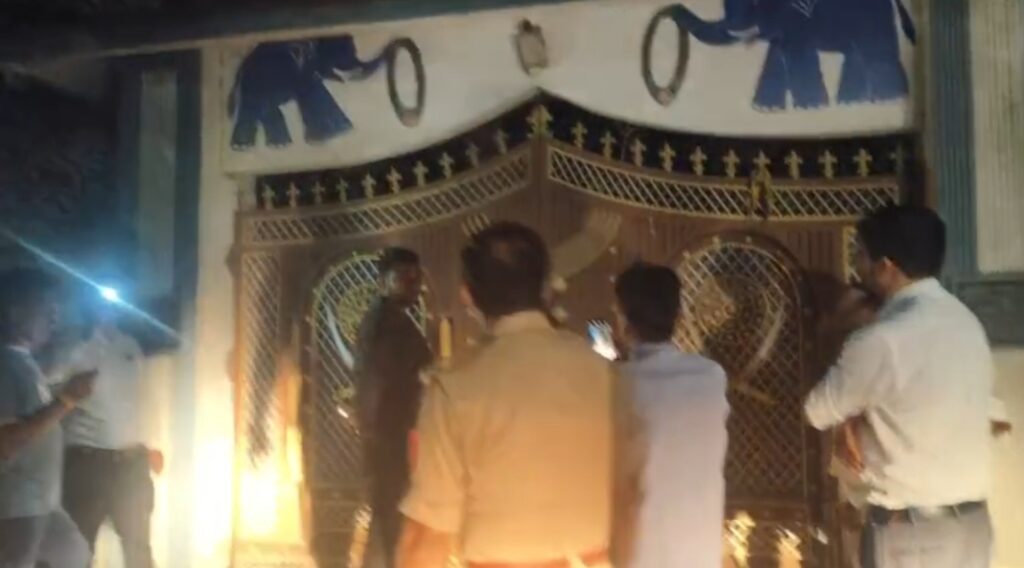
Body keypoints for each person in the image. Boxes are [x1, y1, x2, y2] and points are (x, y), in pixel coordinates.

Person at [397, 222, 637, 568]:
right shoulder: (605, 374)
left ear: (467, 295)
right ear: (545, 287)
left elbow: (429, 537)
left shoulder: (456, 388)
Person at [804, 205, 995, 568]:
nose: (856, 266)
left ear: (885, 267)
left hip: (909, 533)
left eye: (860, 254)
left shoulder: (880, 340)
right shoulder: (967, 323)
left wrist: (833, 333)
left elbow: (817, 410)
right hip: (971, 524)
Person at [612, 262, 729, 568]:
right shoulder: (711, 377)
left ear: (622, 321)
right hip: (700, 553)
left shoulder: (617, 384)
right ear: (678, 317)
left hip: (640, 556)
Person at [50, 286, 162, 568]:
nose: (108, 309)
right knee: (77, 550)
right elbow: (50, 384)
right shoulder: (73, 346)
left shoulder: (130, 345)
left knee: (139, 549)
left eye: (113, 303)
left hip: (131, 463)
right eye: (100, 303)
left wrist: (150, 444)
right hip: (88, 462)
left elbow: (141, 396)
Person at [0, 268, 94, 568]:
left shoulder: (26, 363)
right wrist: (65, 401)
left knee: (75, 554)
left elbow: (36, 421)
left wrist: (62, 409)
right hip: (17, 506)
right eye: (45, 307)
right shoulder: (5, 365)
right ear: (16, 312)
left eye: (56, 308)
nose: (54, 317)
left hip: (43, 503)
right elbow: (5, 443)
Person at [355, 247, 433, 568]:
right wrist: (376, 431)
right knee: (391, 515)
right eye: (404, 277)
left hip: (391, 432)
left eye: (416, 277)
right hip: (392, 434)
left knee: (389, 514)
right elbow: (379, 380)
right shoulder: (387, 325)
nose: (413, 284)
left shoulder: (390, 320)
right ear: (383, 282)